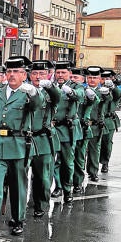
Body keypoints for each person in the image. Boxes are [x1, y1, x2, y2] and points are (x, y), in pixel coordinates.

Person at [0, 56, 42, 240]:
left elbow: (37, 104)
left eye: (16, 72)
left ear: (24, 75)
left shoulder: (28, 94)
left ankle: (18, 219)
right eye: (9, 71)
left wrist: (33, 93)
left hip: (18, 145)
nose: (11, 75)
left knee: (18, 185)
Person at [26, 60, 61, 217]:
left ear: (47, 75)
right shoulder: (24, 90)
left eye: (41, 73)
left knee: (43, 176)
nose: (37, 76)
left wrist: (50, 87)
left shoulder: (50, 92)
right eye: (34, 73)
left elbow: (57, 96)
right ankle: (29, 203)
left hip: (43, 138)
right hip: (25, 138)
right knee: (21, 175)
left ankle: (42, 205)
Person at [51, 62, 83, 204]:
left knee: (68, 162)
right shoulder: (51, 87)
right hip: (53, 129)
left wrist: (70, 92)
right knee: (55, 161)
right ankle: (58, 186)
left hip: (67, 129)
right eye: (58, 72)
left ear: (69, 73)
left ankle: (67, 188)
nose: (60, 75)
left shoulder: (75, 86)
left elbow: (79, 96)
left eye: (63, 73)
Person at [99, 69, 121, 172]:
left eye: (107, 78)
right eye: (102, 78)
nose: (104, 81)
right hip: (97, 119)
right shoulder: (97, 89)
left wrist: (112, 87)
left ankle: (105, 163)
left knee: (107, 143)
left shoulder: (114, 91)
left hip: (109, 120)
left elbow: (118, 94)